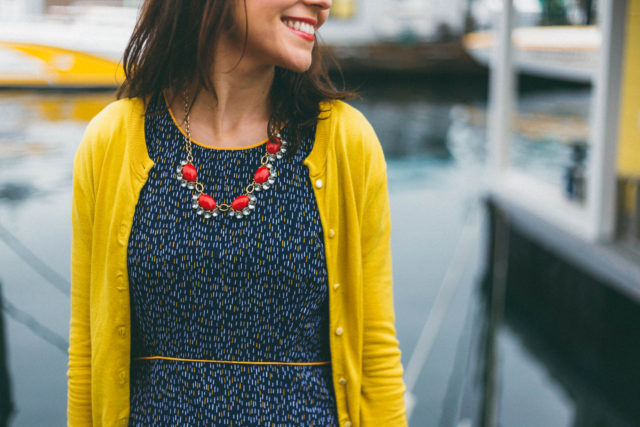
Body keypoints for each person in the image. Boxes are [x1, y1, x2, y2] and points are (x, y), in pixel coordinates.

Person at [67, 0, 407, 425]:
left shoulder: (347, 143)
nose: (325, 3)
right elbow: (87, 350)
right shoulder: (111, 141)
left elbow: (376, 354)